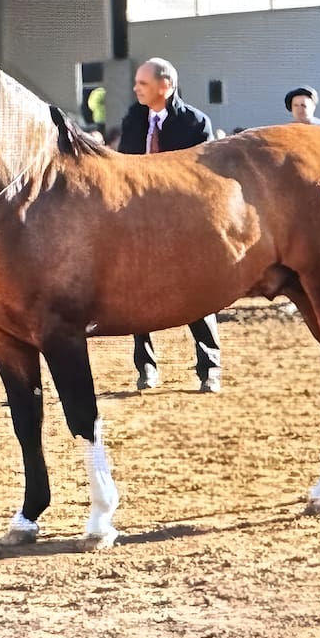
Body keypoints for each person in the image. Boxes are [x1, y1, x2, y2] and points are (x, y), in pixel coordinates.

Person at [117, 57, 223, 394]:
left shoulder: (195, 123)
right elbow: (122, 165)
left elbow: (204, 177)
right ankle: (146, 368)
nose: (136, 88)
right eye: (136, 82)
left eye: (143, 83)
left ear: (166, 85)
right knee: (136, 292)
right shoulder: (134, 119)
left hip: (182, 223)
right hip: (139, 219)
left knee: (195, 293)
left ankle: (210, 368)